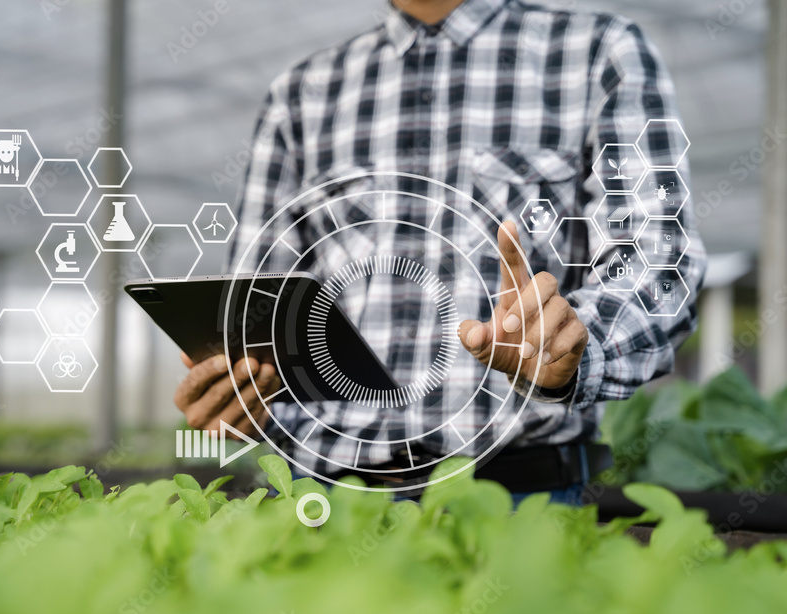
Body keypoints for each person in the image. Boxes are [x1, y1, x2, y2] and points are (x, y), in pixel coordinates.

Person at [174, 0, 706, 503]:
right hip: (327, 495)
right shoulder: (302, 94)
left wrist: (569, 350)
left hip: (515, 496)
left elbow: (659, 261)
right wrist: (240, 388)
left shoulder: (598, 54)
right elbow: (257, 301)